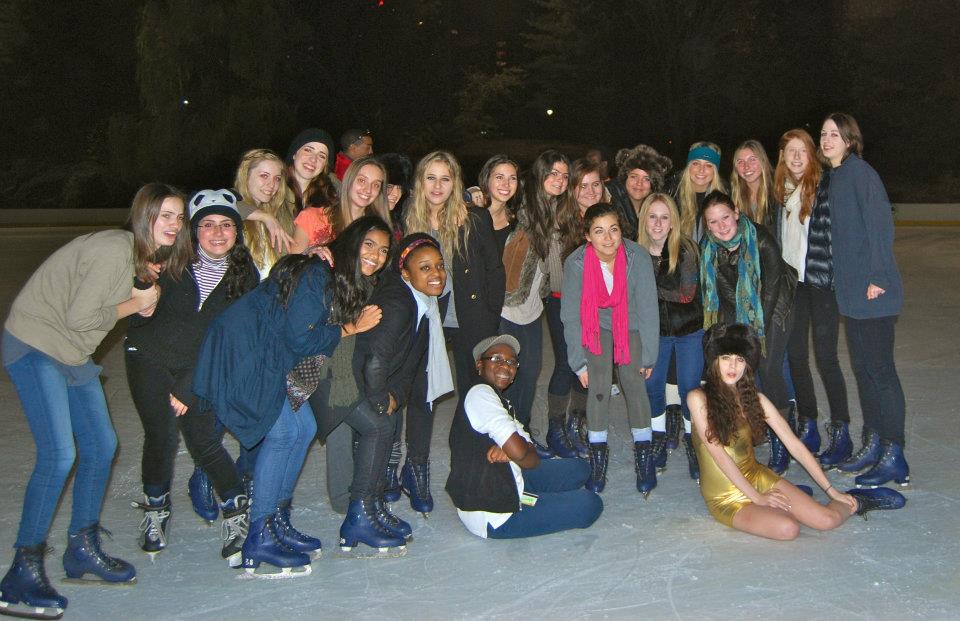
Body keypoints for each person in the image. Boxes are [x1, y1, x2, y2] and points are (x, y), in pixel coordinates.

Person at [0, 183, 184, 618]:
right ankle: (21, 572)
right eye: (165, 216)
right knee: (59, 455)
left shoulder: (140, 259)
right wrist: (134, 304)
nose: (174, 224)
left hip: (71, 353)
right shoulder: (114, 250)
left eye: (178, 217)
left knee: (101, 446)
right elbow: (80, 318)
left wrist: (138, 297)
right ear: (144, 218)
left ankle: (81, 549)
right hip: (36, 343)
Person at [192, 226, 383, 577]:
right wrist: (348, 329)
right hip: (244, 351)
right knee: (282, 434)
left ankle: (277, 521)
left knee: (304, 427)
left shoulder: (337, 279)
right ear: (349, 246)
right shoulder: (318, 273)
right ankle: (259, 537)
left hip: (266, 352)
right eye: (369, 245)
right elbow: (298, 339)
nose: (376, 254)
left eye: (384, 250)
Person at [124, 189, 258, 563]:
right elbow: (137, 316)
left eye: (227, 225)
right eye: (208, 225)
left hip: (201, 369)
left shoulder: (245, 279)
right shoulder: (167, 259)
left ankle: (235, 510)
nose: (217, 233)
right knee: (161, 436)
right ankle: (156, 508)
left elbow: (234, 344)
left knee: (204, 441)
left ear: (237, 232)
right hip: (147, 357)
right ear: (194, 230)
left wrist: (190, 385)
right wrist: (140, 285)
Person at [688, 324, 905, 540]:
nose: (733, 366)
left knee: (826, 520)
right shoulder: (698, 399)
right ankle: (791, 500)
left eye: (740, 359)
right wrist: (758, 498)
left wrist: (832, 491)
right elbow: (720, 456)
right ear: (714, 360)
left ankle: (857, 501)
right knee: (787, 529)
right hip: (725, 496)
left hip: (756, 476)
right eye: (726, 357)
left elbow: (795, 445)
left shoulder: (756, 400)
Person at [402, 150, 504, 514]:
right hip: (424, 319)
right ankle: (415, 469)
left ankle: (470, 463)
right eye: (431, 177)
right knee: (422, 397)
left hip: (468, 318)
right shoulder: (409, 217)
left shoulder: (473, 217)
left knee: (473, 394)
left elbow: (494, 271)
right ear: (420, 181)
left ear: (455, 183)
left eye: (445, 178)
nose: (438, 186)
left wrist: (490, 321)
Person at [819, 112, 909, 488]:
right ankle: (873, 445)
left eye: (834, 134)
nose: (826, 140)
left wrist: (877, 277)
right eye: (823, 134)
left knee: (881, 373)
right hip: (852, 295)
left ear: (850, 139)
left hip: (874, 292)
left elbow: (879, 227)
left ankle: (895, 455)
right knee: (865, 372)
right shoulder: (835, 177)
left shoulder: (861, 174)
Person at [446, 335, 603, 539]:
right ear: (479, 365)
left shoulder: (501, 401)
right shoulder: (480, 395)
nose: (505, 366)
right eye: (496, 359)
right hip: (495, 511)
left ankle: (535, 497)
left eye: (511, 362)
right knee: (589, 504)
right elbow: (522, 451)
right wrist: (517, 451)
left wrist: (512, 452)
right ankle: (533, 500)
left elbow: (531, 457)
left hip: (507, 476)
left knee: (579, 468)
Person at [561, 203, 659, 494]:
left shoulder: (637, 256)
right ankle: (598, 456)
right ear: (587, 235)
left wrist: (649, 354)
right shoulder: (576, 263)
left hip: (630, 323)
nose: (608, 238)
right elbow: (571, 314)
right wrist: (579, 362)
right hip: (597, 326)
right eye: (599, 231)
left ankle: (644, 456)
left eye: (613, 230)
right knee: (599, 385)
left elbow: (648, 307)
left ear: (621, 231)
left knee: (633, 383)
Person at [699, 190, 796, 474]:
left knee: (767, 366)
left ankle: (782, 438)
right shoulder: (709, 247)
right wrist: (734, 332)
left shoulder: (761, 239)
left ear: (736, 213)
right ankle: (750, 430)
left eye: (725, 217)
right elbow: (721, 290)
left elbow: (773, 287)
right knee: (737, 368)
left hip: (776, 307)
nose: (722, 226)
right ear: (707, 225)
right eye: (713, 222)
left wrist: (753, 334)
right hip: (737, 308)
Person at [774, 129, 852, 465]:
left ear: (812, 155)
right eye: (789, 152)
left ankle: (842, 430)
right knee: (795, 356)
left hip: (821, 284)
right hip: (795, 286)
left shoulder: (823, 189)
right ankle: (809, 423)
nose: (795, 157)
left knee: (826, 357)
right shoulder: (783, 193)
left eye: (802, 151)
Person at [380, 235, 452, 514]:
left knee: (425, 396)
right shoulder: (396, 306)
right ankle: (388, 464)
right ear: (405, 273)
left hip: (421, 342)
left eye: (440, 265)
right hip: (389, 365)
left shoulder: (429, 302)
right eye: (425, 268)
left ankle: (415, 468)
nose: (437, 274)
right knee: (393, 398)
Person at [637, 193, 704, 489]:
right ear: (644, 220)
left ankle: (695, 443)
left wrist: (644, 290)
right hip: (656, 334)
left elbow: (686, 294)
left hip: (689, 330)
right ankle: (658, 440)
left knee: (690, 388)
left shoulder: (686, 248)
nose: (658, 223)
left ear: (673, 221)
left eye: (665, 217)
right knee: (652, 388)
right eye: (653, 216)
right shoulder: (635, 252)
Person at [498, 153, 553, 456]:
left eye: (562, 176)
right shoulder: (517, 213)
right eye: (550, 175)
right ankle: (508, 436)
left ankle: (524, 431)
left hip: (533, 308)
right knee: (507, 373)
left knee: (530, 373)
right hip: (507, 307)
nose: (556, 181)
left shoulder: (555, 212)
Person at [233, 148, 297, 278]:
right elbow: (220, 206)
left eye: (277, 178)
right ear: (246, 175)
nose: (271, 184)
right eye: (264, 176)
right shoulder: (232, 214)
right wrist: (266, 217)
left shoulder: (279, 216)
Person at [607, 144, 673, 240]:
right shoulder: (609, 203)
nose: (639, 183)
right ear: (625, 178)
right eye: (634, 176)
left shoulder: (660, 208)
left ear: (653, 184)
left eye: (646, 179)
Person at [673, 141, 726, 241]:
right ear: (688, 167)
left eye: (708, 165)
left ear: (715, 170)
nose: (701, 170)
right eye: (696, 163)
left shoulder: (725, 198)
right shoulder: (672, 195)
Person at [330, 155, 392, 236]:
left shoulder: (378, 229)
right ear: (349, 179)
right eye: (362, 180)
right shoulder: (322, 218)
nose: (368, 190)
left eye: (376, 185)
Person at [730, 139, 780, 237]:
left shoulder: (778, 193)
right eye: (740, 162)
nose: (746, 167)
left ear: (763, 161)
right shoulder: (732, 197)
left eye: (752, 159)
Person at [477, 154, 521, 255]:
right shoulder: (470, 217)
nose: (506, 184)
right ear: (486, 179)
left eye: (512, 178)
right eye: (499, 177)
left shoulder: (518, 222)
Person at [378, 152, 413, 241]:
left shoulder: (399, 219)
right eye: (389, 186)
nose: (396, 194)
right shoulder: (367, 220)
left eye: (400, 188)